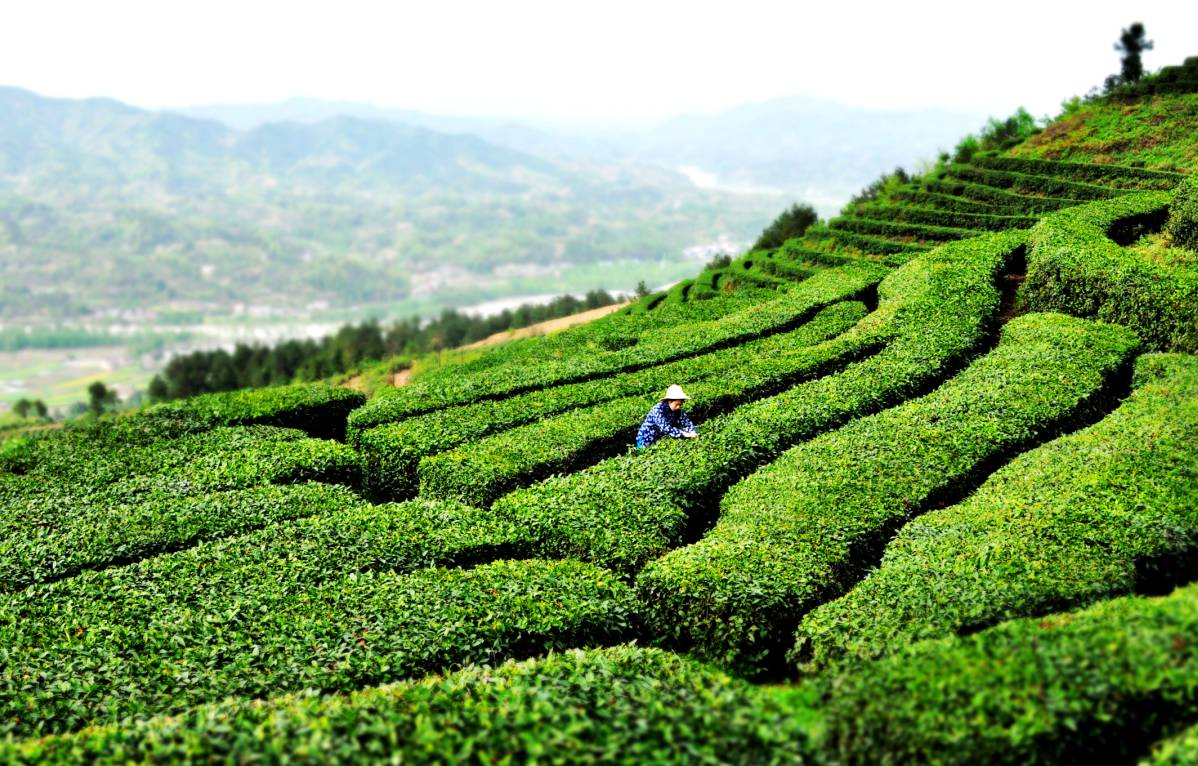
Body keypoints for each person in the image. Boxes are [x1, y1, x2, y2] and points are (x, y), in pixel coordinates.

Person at [636, 384, 699, 449]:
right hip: (645, 439)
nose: (678, 407)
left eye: (680, 405)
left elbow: (686, 422)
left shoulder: (677, 411)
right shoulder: (658, 410)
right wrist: (684, 434)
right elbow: (665, 428)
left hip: (658, 439)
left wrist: (692, 431)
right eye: (677, 404)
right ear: (670, 401)